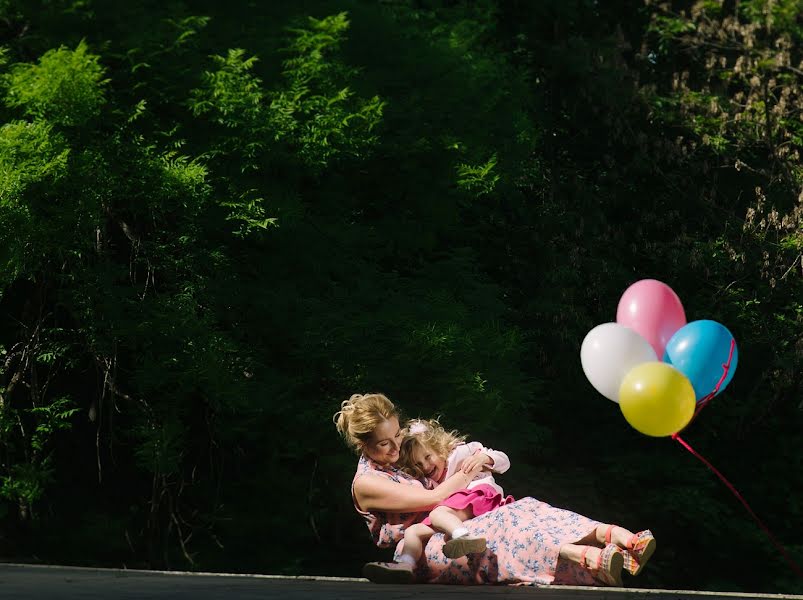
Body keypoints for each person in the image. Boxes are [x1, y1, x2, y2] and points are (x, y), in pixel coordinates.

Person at [334, 393, 656, 586]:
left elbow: (437, 455)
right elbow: (434, 498)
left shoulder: (404, 456)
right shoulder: (368, 483)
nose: (394, 448)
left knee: (525, 508)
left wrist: (476, 458)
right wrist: (468, 469)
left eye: (397, 437)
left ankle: (612, 547)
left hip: (459, 530)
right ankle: (588, 560)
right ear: (363, 446)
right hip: (426, 549)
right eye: (383, 444)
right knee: (505, 525)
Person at [363, 417, 516, 583]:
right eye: (418, 465)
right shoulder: (428, 482)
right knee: (413, 532)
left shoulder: (460, 454)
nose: (425, 466)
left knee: (437, 514)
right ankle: (404, 566)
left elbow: (504, 461)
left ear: (440, 448)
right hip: (454, 510)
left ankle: (463, 538)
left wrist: (484, 458)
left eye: (428, 457)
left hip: (480, 494)